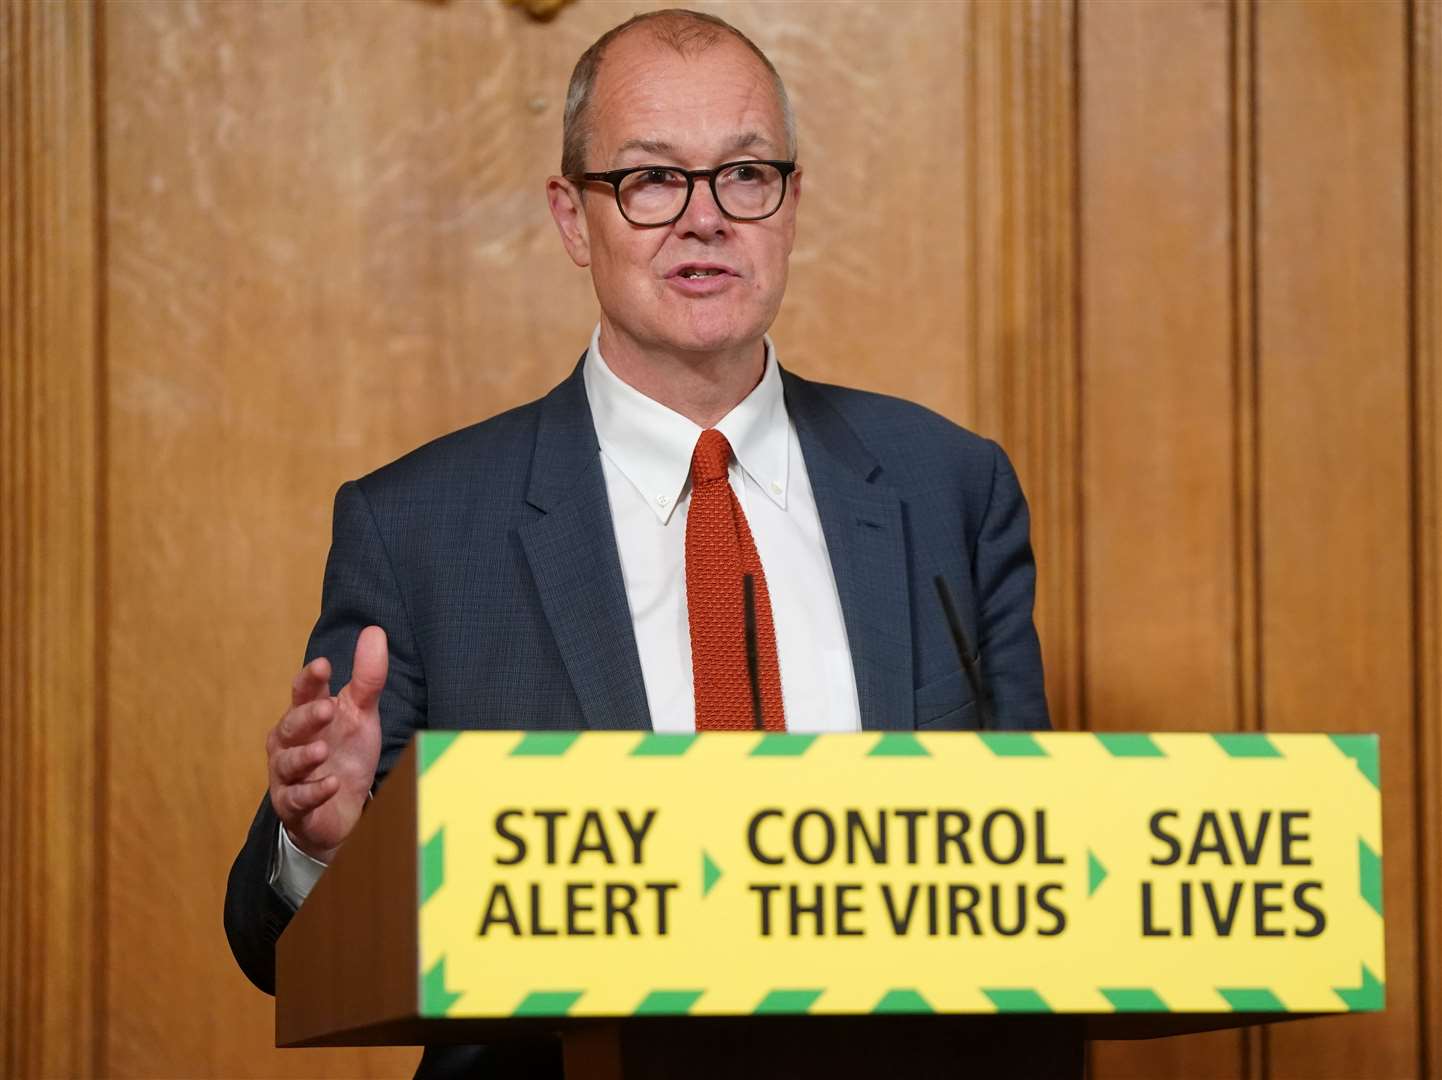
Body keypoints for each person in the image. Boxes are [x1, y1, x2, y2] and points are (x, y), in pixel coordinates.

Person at [225, 9, 1056, 1077]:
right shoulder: (420, 530)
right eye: (652, 180)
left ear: (790, 206)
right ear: (573, 219)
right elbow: (275, 953)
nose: (705, 219)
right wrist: (326, 846)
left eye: (745, 173)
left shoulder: (949, 487)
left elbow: (1038, 873)